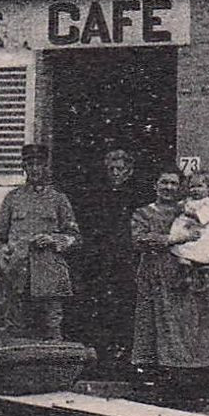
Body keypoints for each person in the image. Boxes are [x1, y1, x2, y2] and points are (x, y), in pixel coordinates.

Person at [130, 166, 209, 405]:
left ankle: (183, 387)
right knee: (151, 328)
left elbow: (206, 233)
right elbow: (139, 239)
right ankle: (153, 386)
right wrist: (173, 239)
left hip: (182, 277)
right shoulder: (143, 213)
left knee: (182, 329)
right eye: (163, 183)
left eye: (173, 183)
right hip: (153, 275)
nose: (168, 188)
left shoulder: (188, 210)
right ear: (155, 186)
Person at [0, 144, 79, 341]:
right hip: (18, 274)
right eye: (30, 164)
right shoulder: (13, 199)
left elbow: (74, 236)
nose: (35, 169)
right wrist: (3, 258)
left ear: (47, 167)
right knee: (16, 328)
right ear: (24, 167)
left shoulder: (59, 200)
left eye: (40, 164)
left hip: (49, 274)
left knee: (51, 327)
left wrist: (54, 239)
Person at [72, 147, 142, 377]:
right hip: (100, 262)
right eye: (111, 169)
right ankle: (100, 360)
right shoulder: (96, 196)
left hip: (126, 261)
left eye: (120, 169)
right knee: (100, 309)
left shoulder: (136, 196)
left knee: (124, 310)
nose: (115, 173)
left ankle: (122, 361)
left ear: (129, 171)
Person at [169, 171, 209, 276]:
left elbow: (202, 217)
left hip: (200, 233)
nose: (195, 190)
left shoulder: (208, 202)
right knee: (181, 249)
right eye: (192, 187)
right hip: (186, 232)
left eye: (200, 186)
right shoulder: (188, 200)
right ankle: (186, 266)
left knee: (198, 249)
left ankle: (200, 266)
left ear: (208, 189)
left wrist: (187, 211)